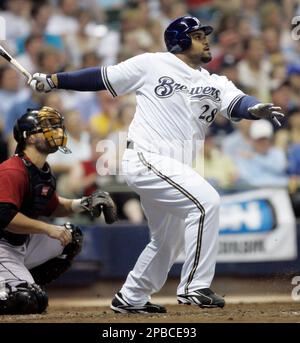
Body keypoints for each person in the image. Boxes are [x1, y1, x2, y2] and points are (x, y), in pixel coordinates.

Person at [29, 16, 284, 313]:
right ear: (180, 40)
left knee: (167, 240)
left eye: (205, 35)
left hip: (178, 168)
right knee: (207, 202)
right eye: (198, 35)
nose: (206, 39)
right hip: (147, 157)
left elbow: (238, 101)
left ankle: (130, 297)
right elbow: (101, 76)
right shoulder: (153, 64)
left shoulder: (215, 82)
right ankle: (194, 286)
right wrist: (54, 80)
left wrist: (254, 108)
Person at [0, 106, 117, 315]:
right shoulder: (12, 170)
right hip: (2, 246)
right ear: (28, 137)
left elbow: (53, 206)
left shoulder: (42, 170)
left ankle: (24, 281)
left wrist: (84, 203)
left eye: (55, 127)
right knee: (28, 301)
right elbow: (5, 217)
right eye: (46, 128)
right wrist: (47, 229)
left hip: (20, 243)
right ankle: (13, 287)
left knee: (71, 236)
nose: (55, 132)